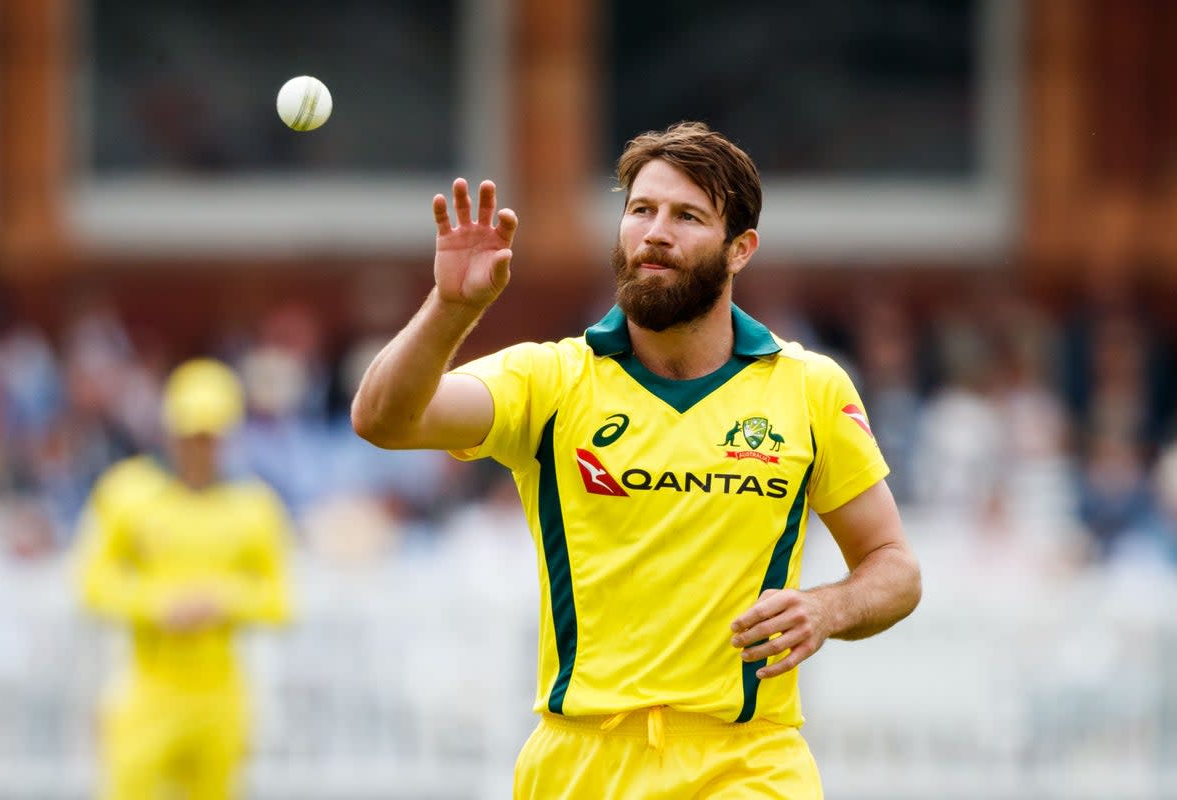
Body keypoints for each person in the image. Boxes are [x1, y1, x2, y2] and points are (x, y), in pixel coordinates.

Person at [352, 121, 922, 798]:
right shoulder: (553, 379)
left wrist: (829, 609)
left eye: (687, 217)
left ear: (740, 250)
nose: (655, 232)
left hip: (747, 761)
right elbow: (384, 421)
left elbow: (895, 567)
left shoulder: (809, 388)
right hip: (580, 762)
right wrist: (451, 307)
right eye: (640, 210)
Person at [74, 358, 293, 800]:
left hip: (221, 694)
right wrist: (158, 605)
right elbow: (91, 583)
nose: (199, 447)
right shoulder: (127, 493)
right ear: (170, 432)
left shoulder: (255, 508)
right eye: (190, 435)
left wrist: (224, 600)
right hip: (148, 689)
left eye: (209, 436)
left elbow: (281, 599)